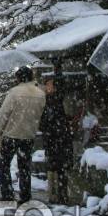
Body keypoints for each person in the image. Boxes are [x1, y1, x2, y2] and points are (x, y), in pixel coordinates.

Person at [0, 66, 46, 204]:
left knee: (5, 165)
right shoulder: (41, 94)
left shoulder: (14, 93)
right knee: (25, 167)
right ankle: (25, 195)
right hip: (28, 135)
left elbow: (4, 113)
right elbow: (41, 114)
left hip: (12, 134)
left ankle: (8, 194)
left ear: (18, 78)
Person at [40, 76, 73, 204]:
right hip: (53, 139)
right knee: (53, 168)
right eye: (47, 85)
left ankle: (61, 195)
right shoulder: (47, 101)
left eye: (50, 85)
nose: (47, 87)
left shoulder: (56, 100)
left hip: (59, 138)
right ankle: (55, 195)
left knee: (60, 168)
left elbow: (48, 120)